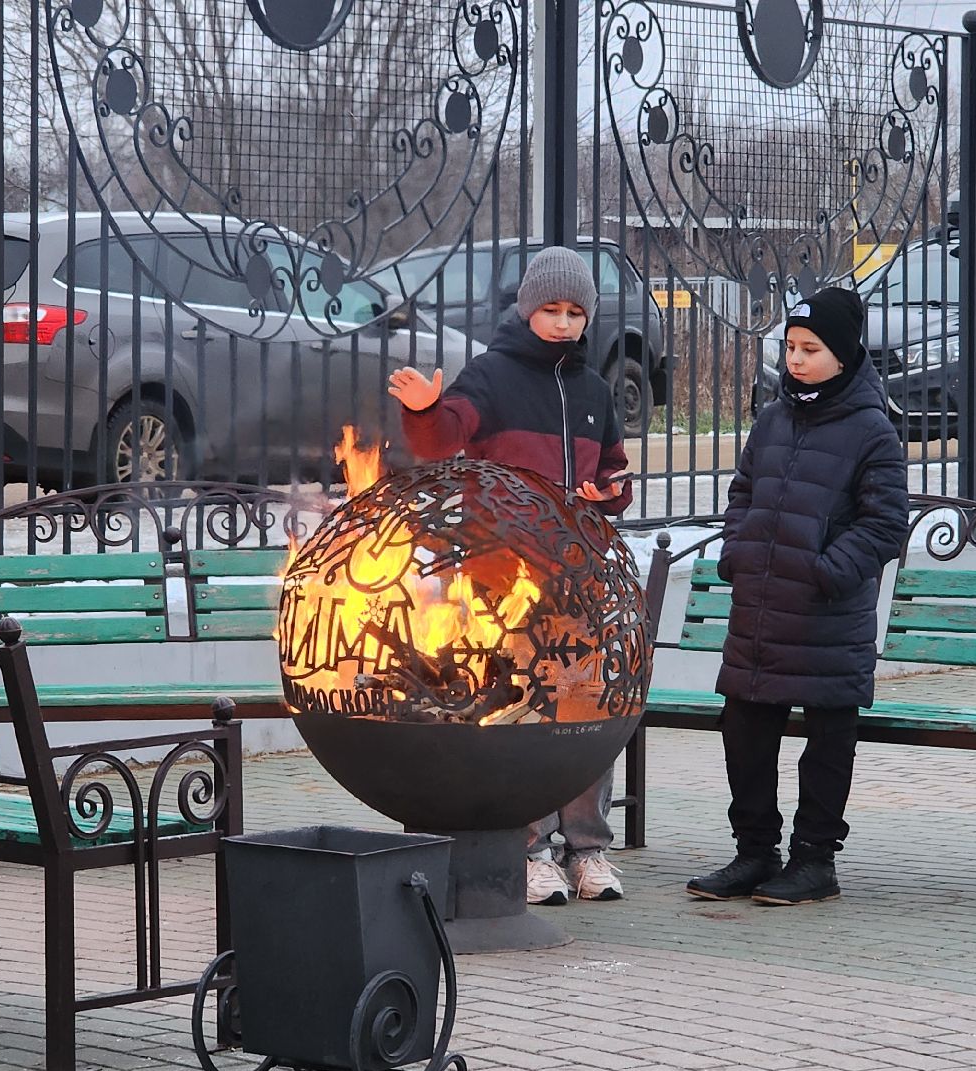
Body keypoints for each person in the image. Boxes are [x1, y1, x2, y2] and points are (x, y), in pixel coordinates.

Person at [388, 245, 632, 905]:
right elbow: (441, 440)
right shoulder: (491, 376)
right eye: (550, 309)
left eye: (575, 312)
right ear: (527, 309)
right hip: (503, 582)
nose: (562, 323)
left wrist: (609, 495)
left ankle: (589, 852)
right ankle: (529, 852)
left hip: (576, 579)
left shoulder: (594, 391)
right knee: (522, 712)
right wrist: (423, 410)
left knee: (584, 713)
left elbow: (614, 475)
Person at [684, 286, 908, 906]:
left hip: (826, 619)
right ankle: (754, 853)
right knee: (745, 730)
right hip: (760, 609)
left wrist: (825, 571)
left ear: (843, 354)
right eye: (789, 347)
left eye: (810, 349)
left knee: (828, 738)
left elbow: (886, 524)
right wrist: (739, 551)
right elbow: (743, 493)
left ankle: (815, 861)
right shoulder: (774, 418)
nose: (796, 360)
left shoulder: (873, 430)